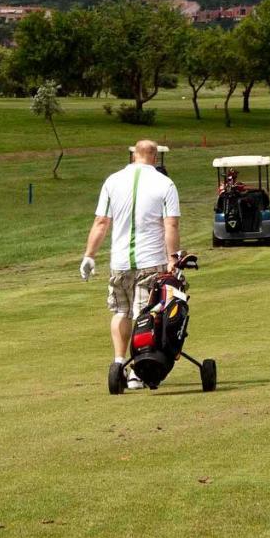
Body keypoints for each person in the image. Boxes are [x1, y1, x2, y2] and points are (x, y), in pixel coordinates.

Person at [80, 139, 181, 390]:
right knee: (145, 315)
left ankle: (119, 362)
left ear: (133, 156)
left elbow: (101, 222)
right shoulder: (165, 183)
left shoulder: (112, 181)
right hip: (151, 260)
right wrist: (173, 258)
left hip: (120, 262)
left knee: (121, 312)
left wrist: (89, 255)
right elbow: (171, 225)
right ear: (154, 158)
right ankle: (137, 370)